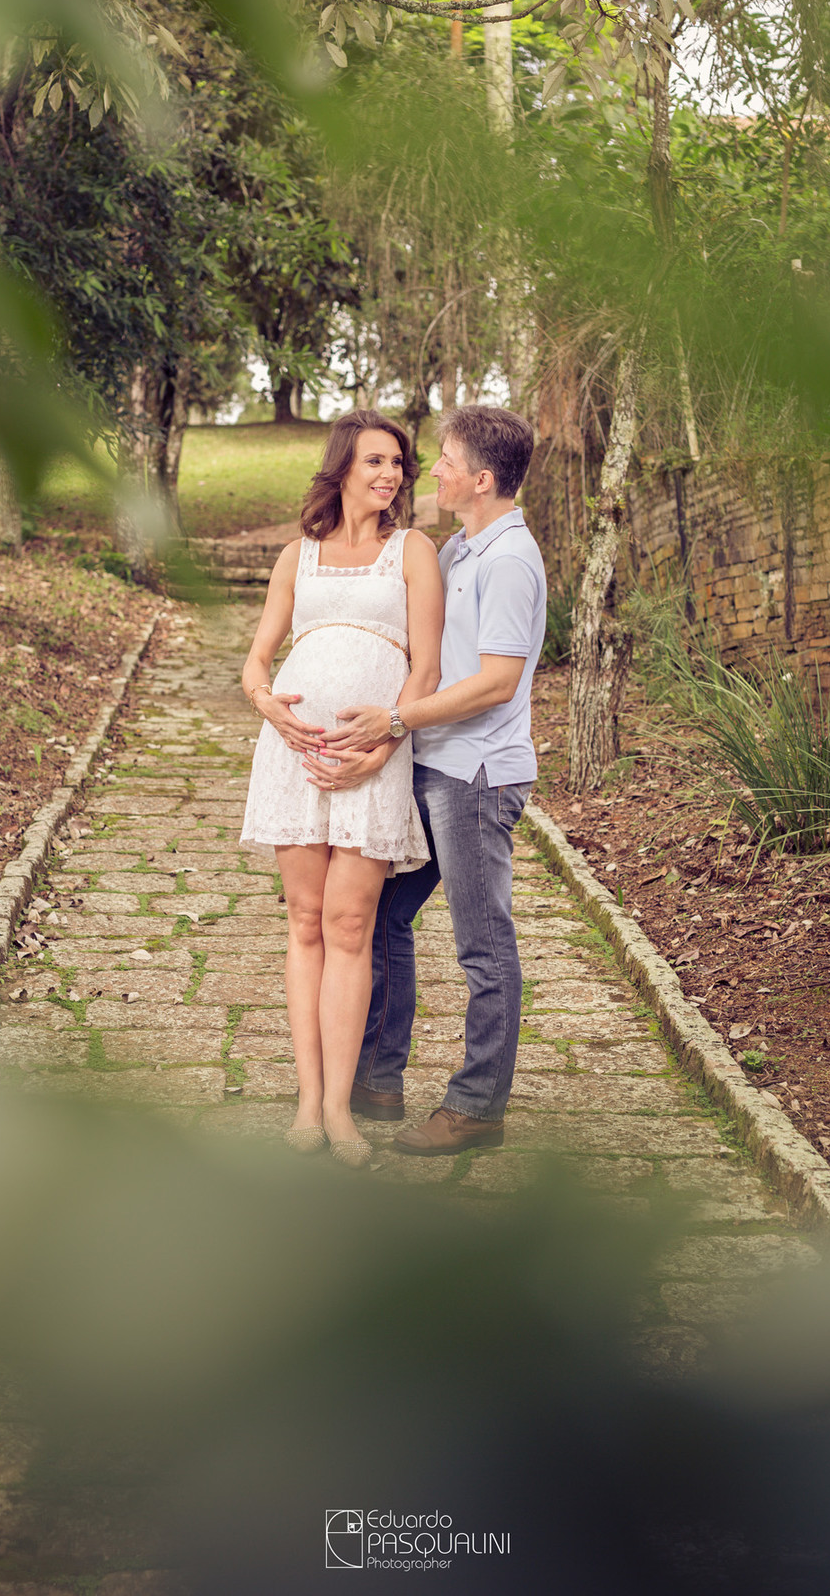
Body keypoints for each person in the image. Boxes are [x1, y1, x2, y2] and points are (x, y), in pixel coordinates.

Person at [313, 404, 546, 1155]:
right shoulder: (459, 549)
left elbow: (496, 682)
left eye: (444, 460)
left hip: (474, 778)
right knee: (381, 916)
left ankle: (478, 1105)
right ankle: (376, 1081)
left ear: (480, 479)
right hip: (432, 764)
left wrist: (393, 721)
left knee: (484, 945)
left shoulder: (509, 560)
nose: (431, 471)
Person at [239, 411, 444, 1166]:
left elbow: (424, 668)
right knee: (303, 922)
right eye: (374, 462)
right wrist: (271, 710)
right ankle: (304, 1101)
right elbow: (256, 661)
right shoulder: (300, 555)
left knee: (350, 926)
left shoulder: (413, 551)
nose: (389, 474)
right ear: (343, 469)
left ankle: (338, 1109)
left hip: (372, 758)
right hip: (294, 753)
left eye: (397, 463)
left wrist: (385, 744)